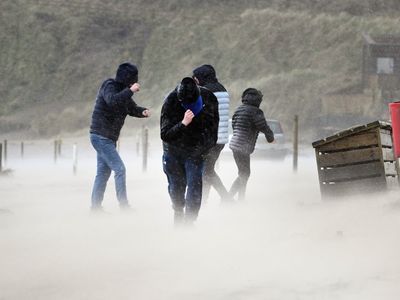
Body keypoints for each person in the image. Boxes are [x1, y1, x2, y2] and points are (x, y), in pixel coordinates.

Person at [89, 62, 150, 211]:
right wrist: (130, 90)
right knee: (120, 169)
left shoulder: (124, 92)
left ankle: (95, 208)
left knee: (103, 173)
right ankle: (124, 206)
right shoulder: (109, 86)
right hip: (100, 136)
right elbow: (112, 101)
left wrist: (142, 112)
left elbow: (130, 108)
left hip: (108, 138)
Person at [160, 77, 219, 225]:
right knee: (176, 188)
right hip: (173, 150)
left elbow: (213, 132)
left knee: (194, 186)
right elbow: (165, 134)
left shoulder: (208, 98)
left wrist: (202, 150)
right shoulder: (170, 101)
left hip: (195, 151)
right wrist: (183, 124)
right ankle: (178, 212)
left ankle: (189, 222)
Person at [192, 64, 230, 202]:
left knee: (207, 171)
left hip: (210, 139)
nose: (195, 81)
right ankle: (204, 199)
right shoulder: (223, 89)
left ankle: (226, 198)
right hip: (221, 138)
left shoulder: (205, 91)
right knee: (208, 170)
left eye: (196, 78)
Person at [229, 88, 274, 201]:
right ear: (258, 100)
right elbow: (263, 126)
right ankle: (228, 198)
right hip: (243, 146)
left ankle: (240, 199)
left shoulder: (239, 109)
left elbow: (234, 125)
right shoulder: (256, 111)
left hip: (235, 145)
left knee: (242, 173)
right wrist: (270, 138)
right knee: (244, 174)